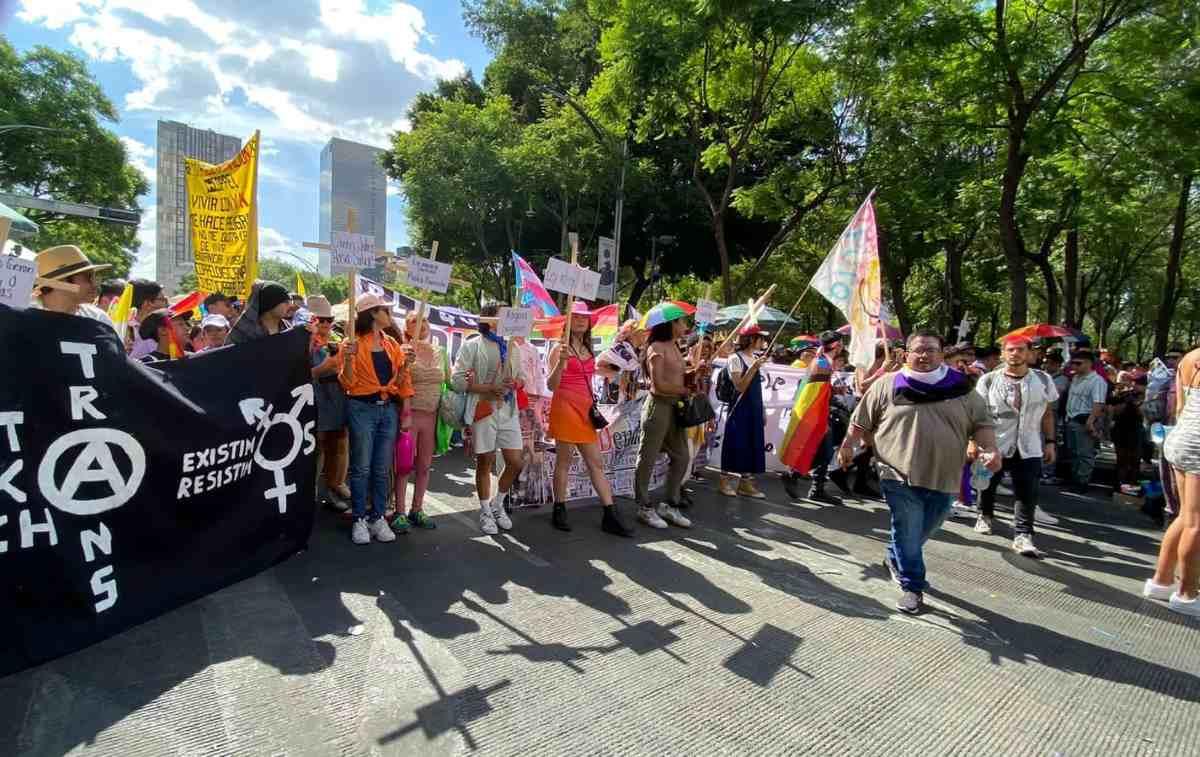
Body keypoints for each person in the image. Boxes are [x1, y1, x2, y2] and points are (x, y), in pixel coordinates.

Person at [838, 329, 1002, 614]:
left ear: (942, 354)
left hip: (945, 474)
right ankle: (912, 586)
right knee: (908, 527)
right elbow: (860, 422)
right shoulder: (887, 385)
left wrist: (990, 449)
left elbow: (982, 424)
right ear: (906, 354)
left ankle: (894, 555)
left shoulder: (962, 388)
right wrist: (847, 447)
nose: (924, 355)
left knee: (923, 528)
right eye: (918, 350)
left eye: (931, 350)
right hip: (896, 472)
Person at [546, 302, 635, 536]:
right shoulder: (559, 349)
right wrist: (560, 364)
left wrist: (623, 366)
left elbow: (597, 373)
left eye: (584, 317)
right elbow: (551, 385)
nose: (581, 320)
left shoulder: (588, 350)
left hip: (585, 410)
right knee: (564, 461)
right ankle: (560, 508)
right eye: (576, 317)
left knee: (595, 463)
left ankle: (610, 513)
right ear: (568, 320)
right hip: (564, 407)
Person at [973, 336, 1059, 556]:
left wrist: (1050, 442)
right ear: (1002, 354)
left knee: (1027, 491)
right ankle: (985, 514)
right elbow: (977, 415)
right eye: (1010, 350)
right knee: (988, 484)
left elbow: (1048, 414)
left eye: (1021, 350)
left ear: (1029, 354)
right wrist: (973, 442)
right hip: (995, 443)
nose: (1015, 354)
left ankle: (1023, 534)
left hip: (1029, 445)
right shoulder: (988, 380)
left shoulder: (1044, 380)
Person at [339, 294, 412, 544]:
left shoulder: (392, 343)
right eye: (386, 309)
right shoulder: (352, 344)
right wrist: (348, 358)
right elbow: (347, 382)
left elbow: (401, 382)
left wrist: (405, 366)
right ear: (372, 313)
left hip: (388, 410)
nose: (389, 314)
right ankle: (359, 518)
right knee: (361, 467)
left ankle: (378, 516)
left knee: (382, 469)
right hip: (361, 408)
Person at [452, 303, 525, 535]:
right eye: (502, 314)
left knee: (515, 461)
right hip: (483, 408)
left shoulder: (514, 347)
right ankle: (485, 511)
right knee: (485, 461)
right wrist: (486, 387)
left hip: (508, 410)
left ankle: (497, 504)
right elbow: (456, 380)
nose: (508, 317)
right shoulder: (472, 345)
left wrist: (516, 383)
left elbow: (521, 377)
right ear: (489, 319)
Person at [1146, 347, 1200, 616]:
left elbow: (1180, 407)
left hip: (1181, 439)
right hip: (1197, 445)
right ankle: (1188, 595)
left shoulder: (1190, 358)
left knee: (1185, 517)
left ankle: (1161, 581)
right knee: (1196, 522)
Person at [633, 312, 693, 529]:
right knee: (647, 457)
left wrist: (694, 373)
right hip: (658, 408)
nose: (685, 325)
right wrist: (684, 389)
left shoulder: (675, 346)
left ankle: (669, 504)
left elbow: (675, 376)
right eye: (682, 321)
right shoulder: (656, 347)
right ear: (671, 324)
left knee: (682, 456)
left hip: (675, 408)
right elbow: (658, 384)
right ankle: (644, 506)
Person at [392, 312, 446, 533]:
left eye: (424, 320)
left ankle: (417, 508)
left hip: (432, 416)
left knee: (424, 466)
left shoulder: (439, 351)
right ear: (406, 326)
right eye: (414, 320)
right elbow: (395, 383)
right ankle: (399, 512)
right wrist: (405, 364)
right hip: (409, 415)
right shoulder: (402, 349)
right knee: (403, 466)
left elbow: (450, 382)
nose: (420, 324)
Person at [783, 331, 846, 505]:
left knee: (822, 452)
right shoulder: (822, 363)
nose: (842, 346)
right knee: (823, 452)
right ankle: (797, 477)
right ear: (835, 345)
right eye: (840, 343)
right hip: (816, 415)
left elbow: (819, 391)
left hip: (818, 414)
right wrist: (820, 421)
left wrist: (835, 391)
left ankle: (813, 487)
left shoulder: (823, 361)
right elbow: (813, 396)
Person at [307, 295, 350, 513]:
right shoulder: (305, 341)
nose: (325, 323)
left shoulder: (336, 340)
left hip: (337, 397)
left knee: (338, 446)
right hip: (316, 397)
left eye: (329, 319)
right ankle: (311, 493)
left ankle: (333, 489)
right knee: (318, 448)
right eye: (321, 319)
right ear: (313, 319)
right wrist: (324, 367)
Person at [719, 325, 769, 498]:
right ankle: (724, 481)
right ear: (751, 339)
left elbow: (757, 388)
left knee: (751, 443)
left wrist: (762, 409)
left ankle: (745, 484)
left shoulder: (754, 358)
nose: (763, 341)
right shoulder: (735, 358)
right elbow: (739, 386)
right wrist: (754, 367)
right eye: (760, 337)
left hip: (754, 407)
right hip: (739, 408)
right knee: (734, 442)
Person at [31, 245, 117, 332]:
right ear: (61, 282)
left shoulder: (99, 319)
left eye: (94, 277)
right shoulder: (26, 319)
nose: (95, 284)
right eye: (88, 277)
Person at [1064, 349, 1109, 494]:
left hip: (1084, 420)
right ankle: (1075, 479)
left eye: (1078, 363)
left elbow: (1098, 403)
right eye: (1073, 363)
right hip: (1071, 419)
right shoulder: (1076, 378)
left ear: (1089, 363)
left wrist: (1091, 422)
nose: (1074, 367)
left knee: (1084, 454)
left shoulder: (1097, 381)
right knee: (1073, 452)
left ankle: (1082, 482)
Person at [226, 281, 292, 345]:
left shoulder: (288, 328)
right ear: (271, 303)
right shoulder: (243, 331)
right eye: (285, 302)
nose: (290, 305)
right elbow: (227, 354)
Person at [128, 279, 169, 358]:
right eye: (162, 300)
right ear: (147, 303)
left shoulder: (165, 329)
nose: (166, 304)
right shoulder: (125, 331)